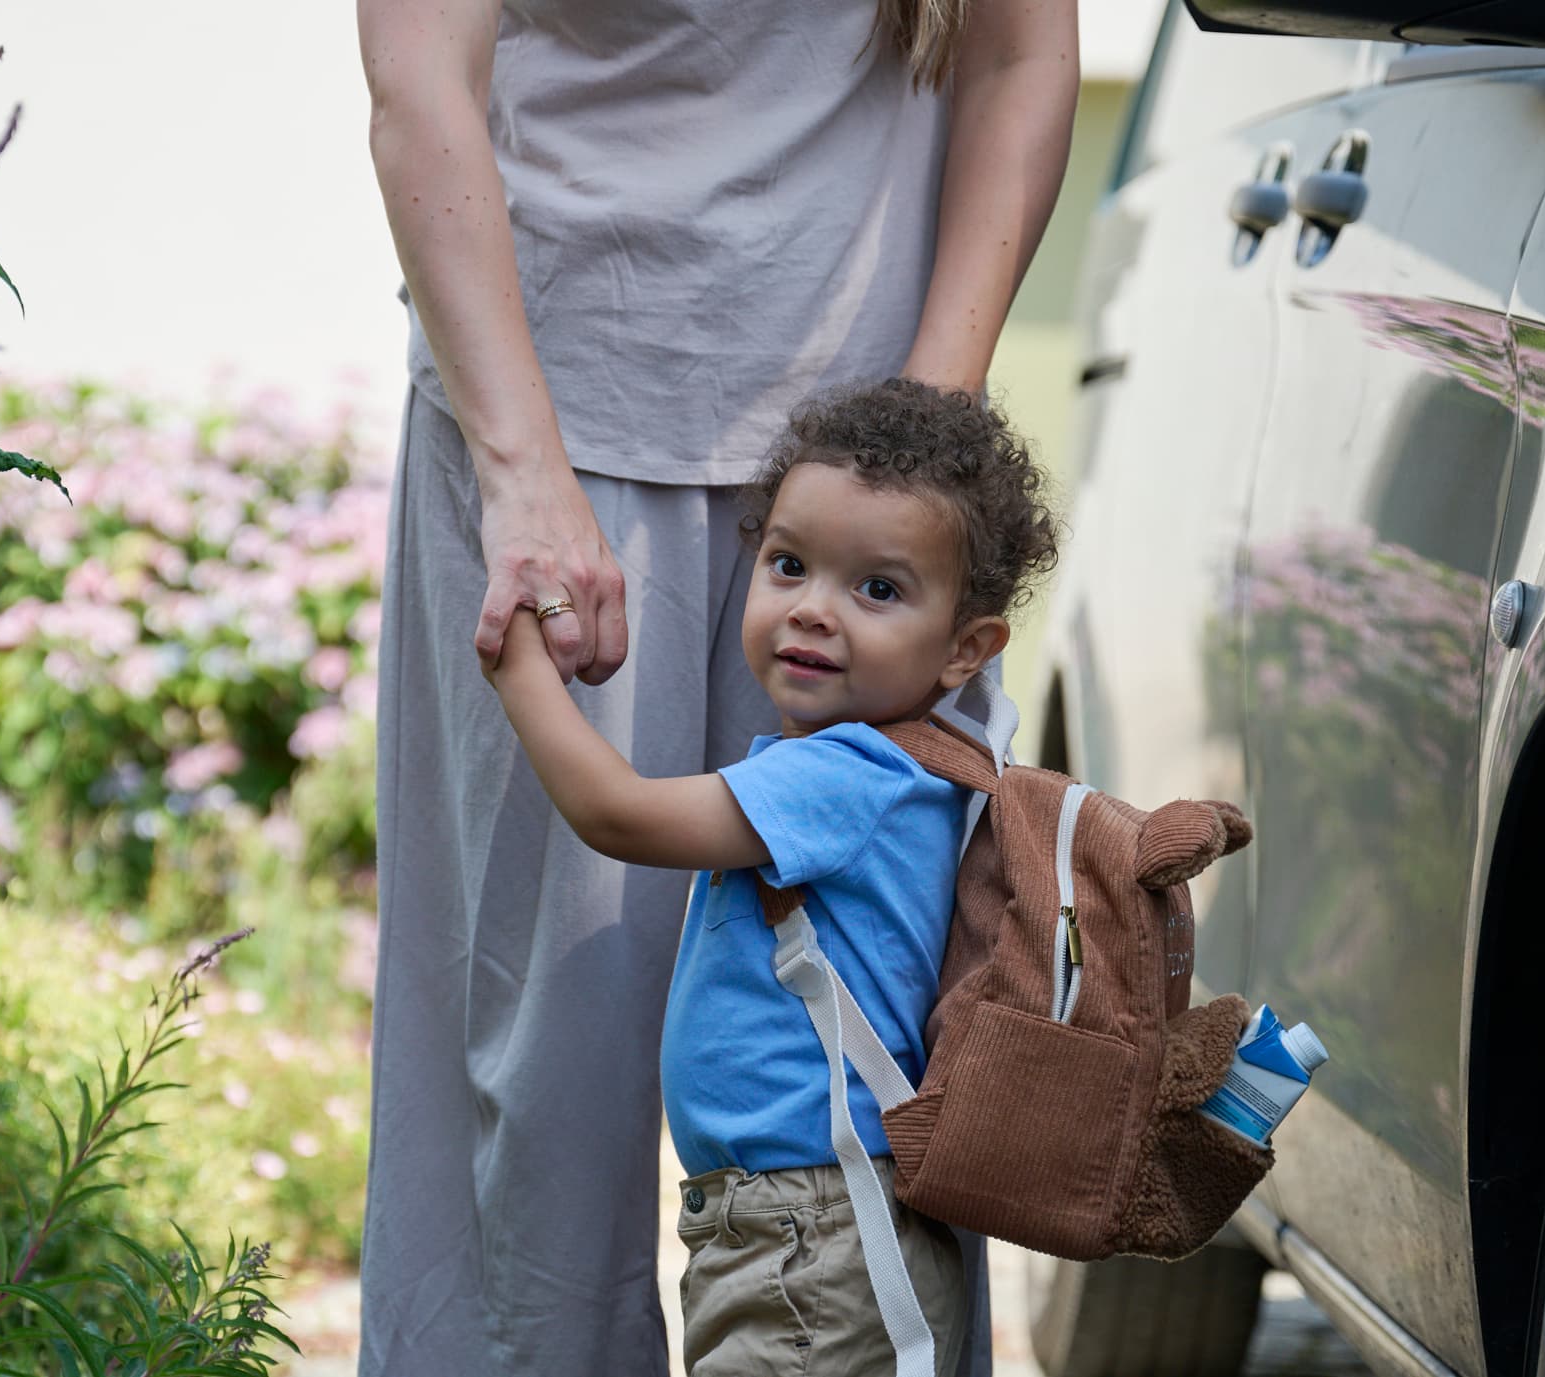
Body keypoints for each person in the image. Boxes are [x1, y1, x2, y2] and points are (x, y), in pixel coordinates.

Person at [356, 1, 1080, 1372]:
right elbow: (416, 77)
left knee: (863, 1104)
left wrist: (916, 471)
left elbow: (1017, 49)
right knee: (530, 1107)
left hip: (870, 490)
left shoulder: (882, 574)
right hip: (552, 420)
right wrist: (519, 478)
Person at [483, 380, 1058, 1374]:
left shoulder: (847, 775)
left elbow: (616, 813)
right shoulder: (892, 771)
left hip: (810, 1229)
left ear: (968, 648)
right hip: (803, 1224)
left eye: (876, 589)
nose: (812, 611)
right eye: (788, 564)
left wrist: (522, 670)